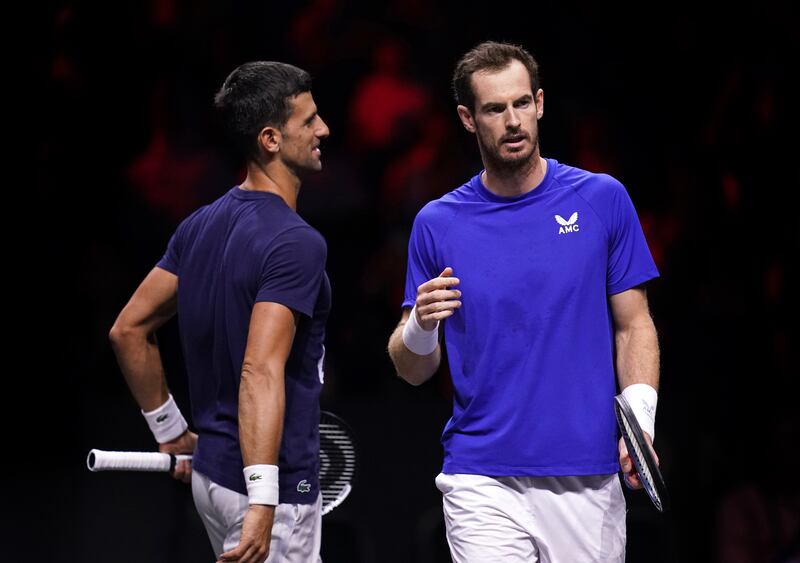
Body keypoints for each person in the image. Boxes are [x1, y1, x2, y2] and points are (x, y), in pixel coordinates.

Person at [388, 41, 661, 562]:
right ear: (469, 118)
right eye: (494, 109)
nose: (512, 121)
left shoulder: (602, 199)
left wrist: (639, 420)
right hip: (480, 475)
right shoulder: (437, 223)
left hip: (587, 475)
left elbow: (634, 325)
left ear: (539, 103)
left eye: (520, 104)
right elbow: (412, 369)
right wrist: (420, 328)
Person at [109, 61, 331, 563]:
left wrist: (170, 432)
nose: (324, 130)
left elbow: (129, 329)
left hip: (212, 478)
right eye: (309, 121)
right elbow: (258, 371)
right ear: (271, 139)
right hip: (268, 489)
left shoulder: (198, 225)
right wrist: (263, 497)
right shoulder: (297, 244)